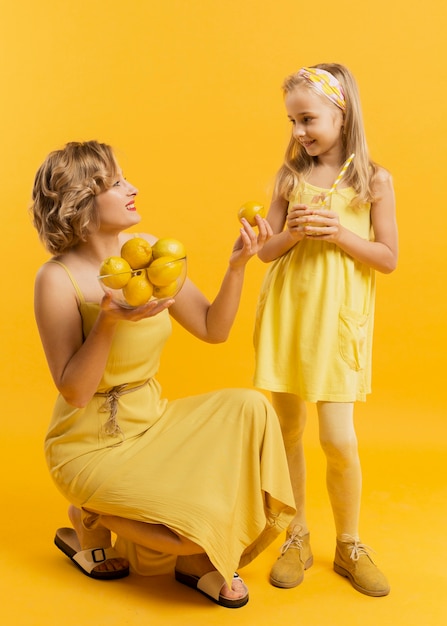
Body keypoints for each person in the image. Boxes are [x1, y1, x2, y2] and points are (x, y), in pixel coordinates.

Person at [30, 140, 296, 609]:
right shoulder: (57, 279)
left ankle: (195, 557)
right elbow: (74, 391)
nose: (132, 188)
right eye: (116, 183)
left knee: (249, 405)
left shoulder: (152, 253)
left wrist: (238, 266)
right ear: (82, 201)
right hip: (87, 445)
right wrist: (110, 319)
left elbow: (214, 329)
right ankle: (90, 513)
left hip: (153, 423)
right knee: (180, 535)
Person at [253, 64, 398, 597]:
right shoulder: (288, 178)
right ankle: (297, 534)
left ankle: (349, 543)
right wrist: (287, 233)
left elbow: (387, 258)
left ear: (342, 112)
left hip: (337, 326)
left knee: (338, 439)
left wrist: (340, 234)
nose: (298, 131)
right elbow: (266, 253)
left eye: (308, 118)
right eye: (292, 120)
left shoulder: (373, 179)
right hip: (288, 318)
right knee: (287, 431)